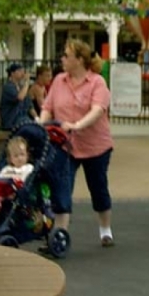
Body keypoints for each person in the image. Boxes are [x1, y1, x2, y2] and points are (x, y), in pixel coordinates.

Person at [40, 39, 116, 247]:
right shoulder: (59, 81)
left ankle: (105, 229)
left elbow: (98, 110)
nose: (62, 59)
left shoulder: (97, 83)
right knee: (62, 187)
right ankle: (60, 234)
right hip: (65, 145)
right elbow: (48, 107)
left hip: (95, 146)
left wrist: (77, 125)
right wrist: (41, 124)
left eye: (66, 55)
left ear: (80, 60)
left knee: (98, 188)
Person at [0, 63, 32, 131]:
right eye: (20, 71)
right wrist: (26, 82)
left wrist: (37, 118)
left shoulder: (21, 88)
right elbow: (20, 97)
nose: (22, 73)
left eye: (23, 71)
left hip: (22, 118)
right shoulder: (8, 87)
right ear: (12, 73)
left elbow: (29, 105)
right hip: (11, 121)